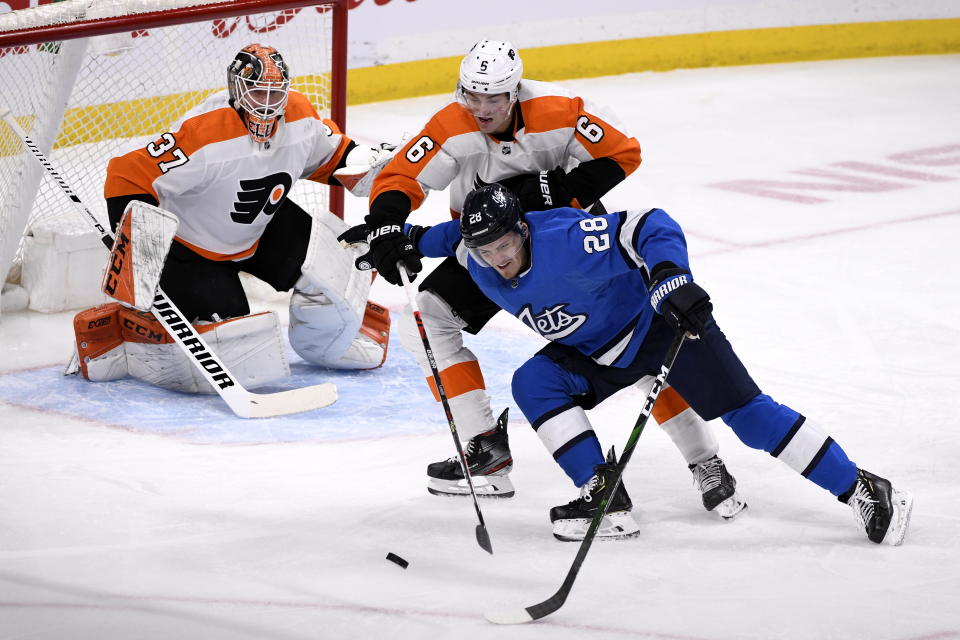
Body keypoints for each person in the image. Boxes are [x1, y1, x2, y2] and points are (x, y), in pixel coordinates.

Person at [350, 38, 745, 517]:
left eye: (493, 97)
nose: (479, 108)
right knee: (429, 316)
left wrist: (556, 190)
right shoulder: (451, 123)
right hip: (487, 246)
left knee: (636, 344)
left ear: (515, 92)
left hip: (567, 246)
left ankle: (704, 460)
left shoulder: (558, 109)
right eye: (471, 95)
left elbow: (623, 153)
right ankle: (485, 450)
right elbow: (401, 176)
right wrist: (391, 224)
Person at [396, 183, 914, 544]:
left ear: (524, 231)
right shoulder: (474, 252)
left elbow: (649, 224)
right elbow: (446, 238)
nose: (497, 259)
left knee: (749, 417)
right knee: (533, 381)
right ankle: (604, 497)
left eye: (505, 245)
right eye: (485, 250)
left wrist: (670, 275)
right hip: (594, 352)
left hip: (660, 328)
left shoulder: (566, 240)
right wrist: (402, 240)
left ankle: (862, 487)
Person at [72, 43, 392, 393]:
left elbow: (334, 158)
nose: (267, 104)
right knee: (237, 354)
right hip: (191, 251)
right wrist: (135, 245)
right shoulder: (203, 133)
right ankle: (126, 330)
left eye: (275, 93)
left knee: (346, 264)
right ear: (236, 89)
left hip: (262, 228)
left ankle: (330, 344)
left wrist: (375, 165)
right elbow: (126, 175)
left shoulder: (299, 114)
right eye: (256, 92)